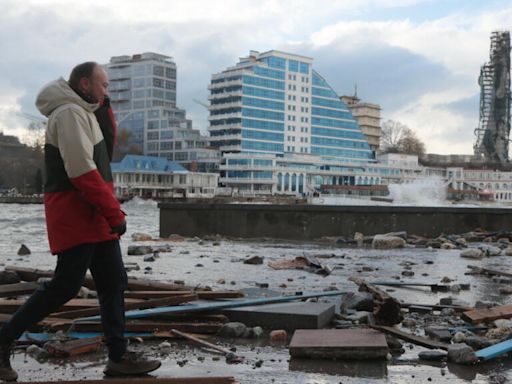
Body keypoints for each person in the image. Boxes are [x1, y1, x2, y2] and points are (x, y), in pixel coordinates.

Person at [0, 62, 161, 381]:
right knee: (65, 286)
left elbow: (104, 152)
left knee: (113, 281)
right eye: (104, 85)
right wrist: (114, 211)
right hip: (77, 213)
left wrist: (105, 107)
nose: (107, 91)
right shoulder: (69, 114)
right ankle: (3, 341)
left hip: (94, 214)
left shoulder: (84, 113)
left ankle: (118, 357)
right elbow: (82, 171)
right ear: (85, 83)